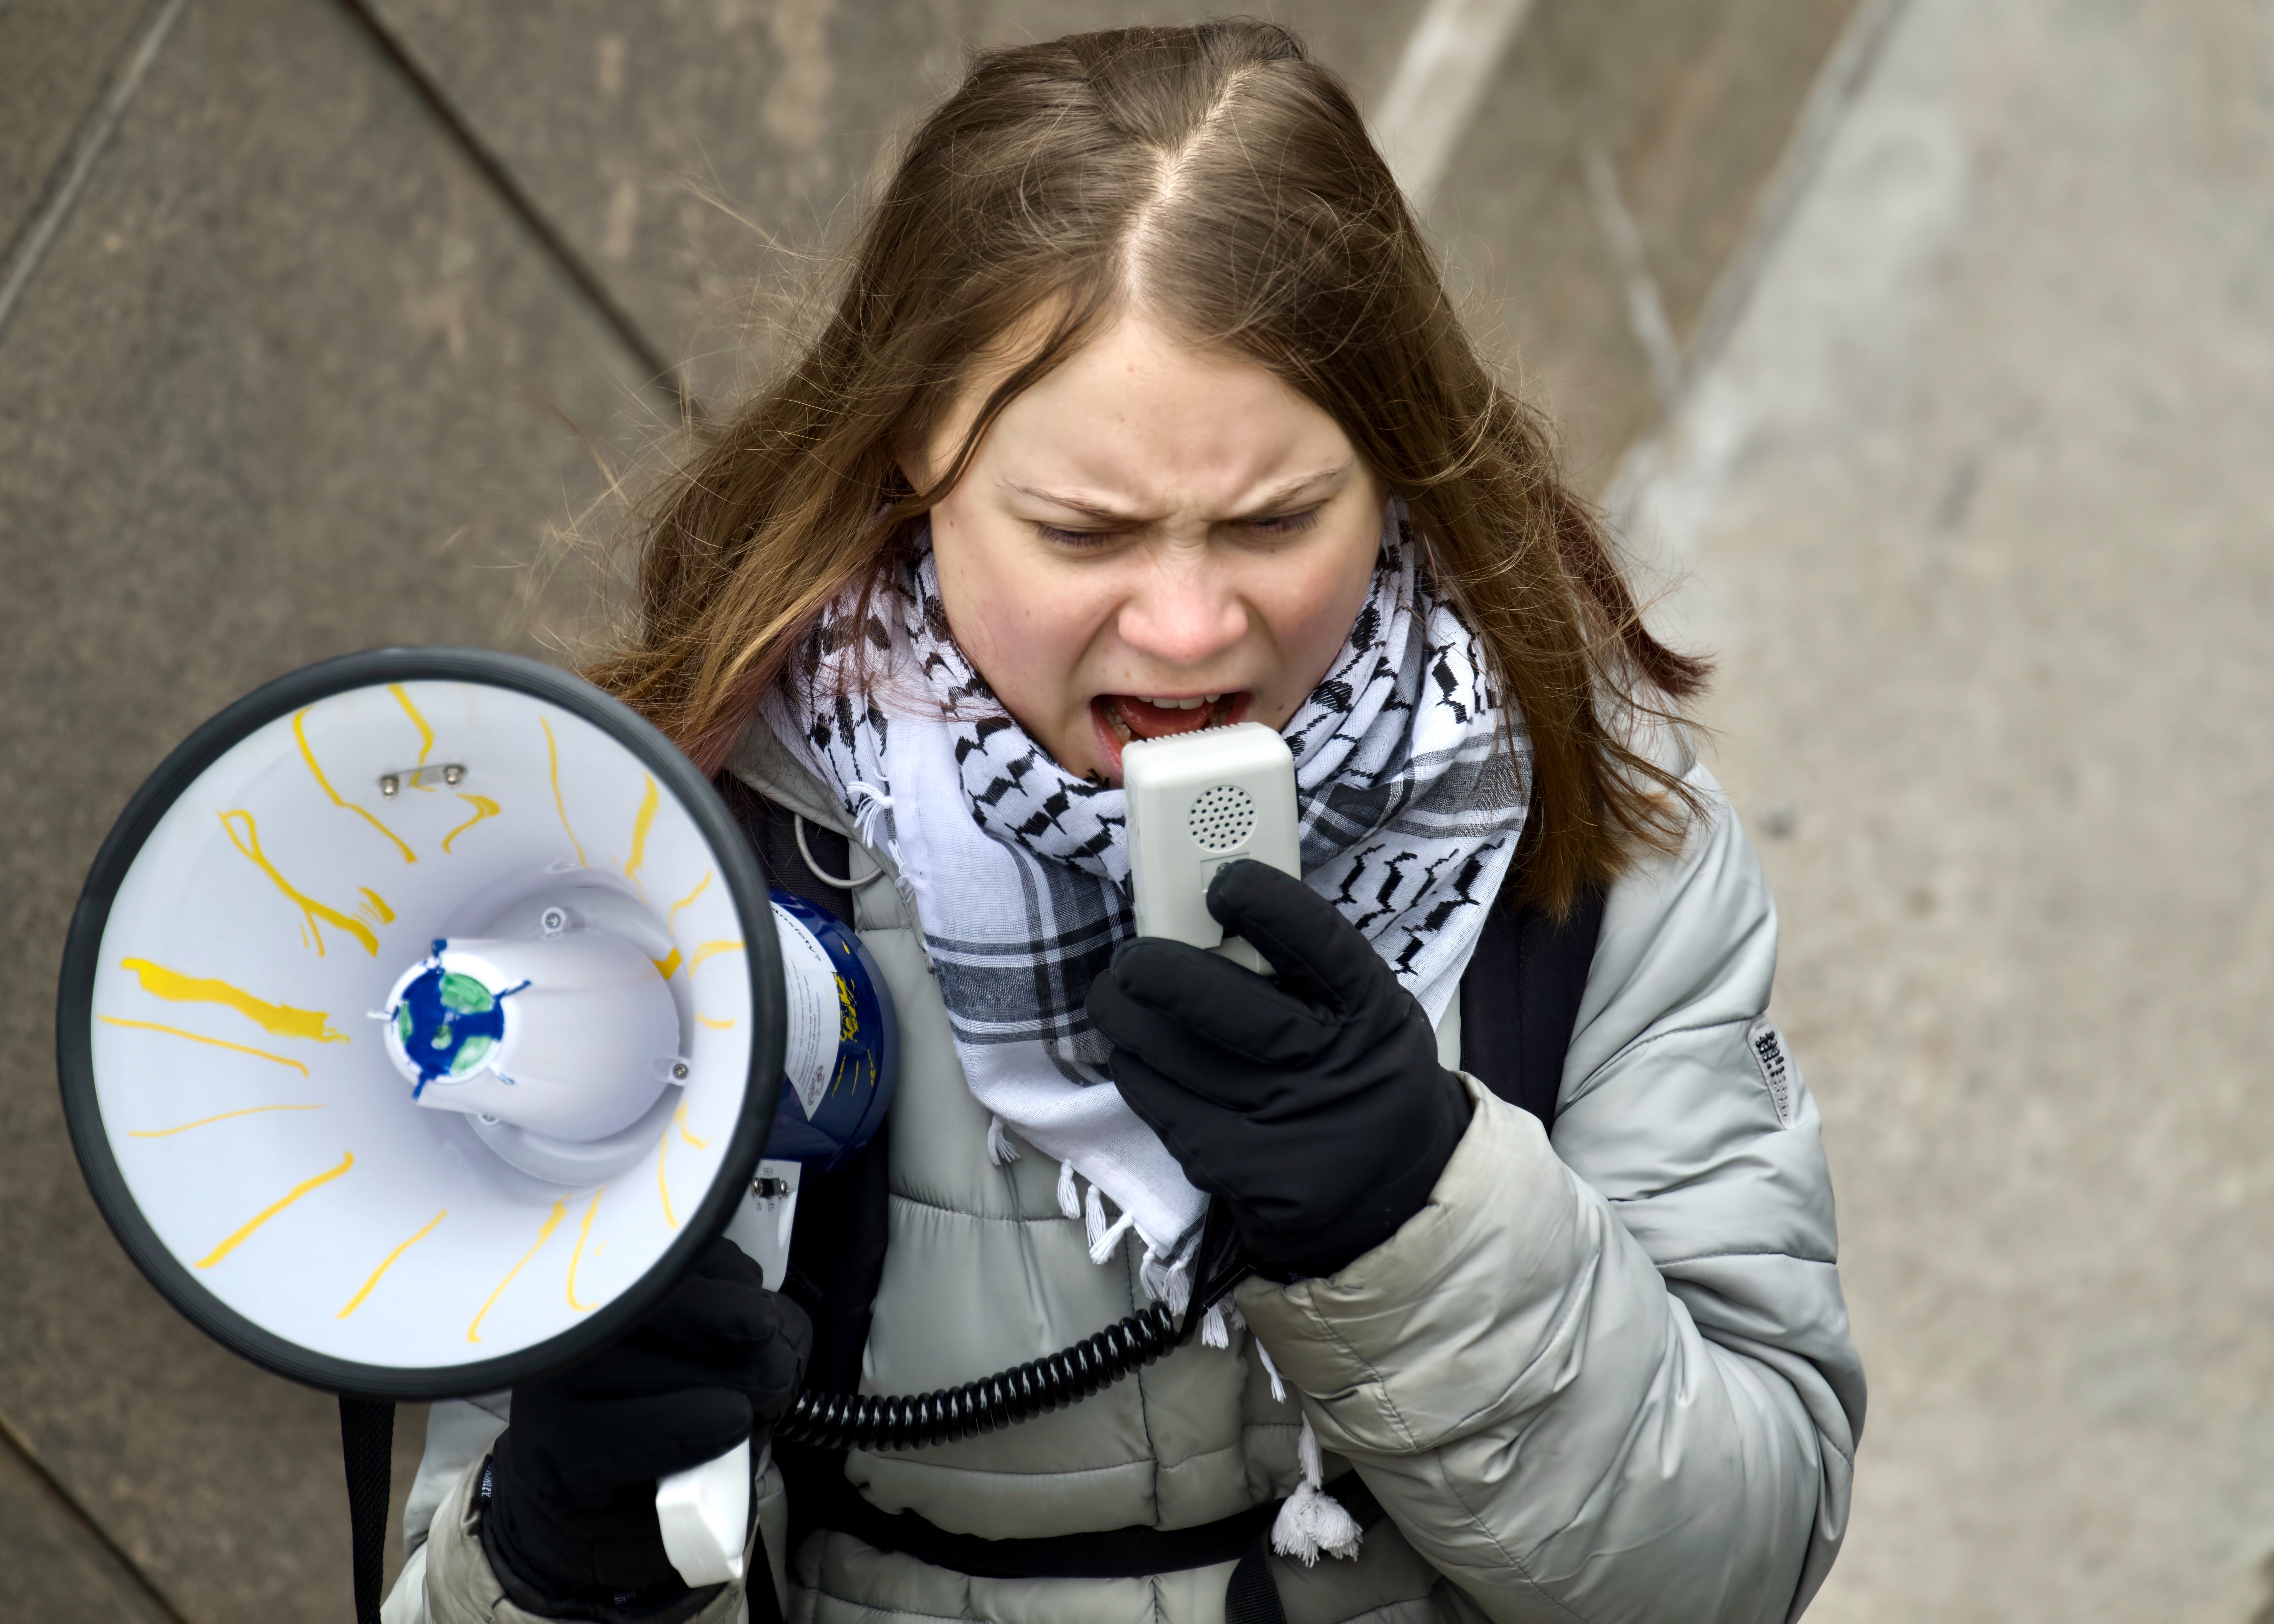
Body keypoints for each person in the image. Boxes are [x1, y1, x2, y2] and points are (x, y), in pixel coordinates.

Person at [385, 21, 1862, 1624]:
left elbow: (1744, 1549)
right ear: (913, 464)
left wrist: (1419, 1223)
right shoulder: (682, 865)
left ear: (1398, 463)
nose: (1185, 629)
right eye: (1084, 534)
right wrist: (565, 1555)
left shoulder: (1579, 829)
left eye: (1275, 521)